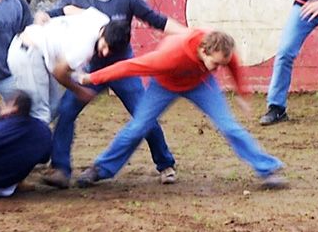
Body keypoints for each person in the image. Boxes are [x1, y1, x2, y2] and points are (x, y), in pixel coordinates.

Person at [34, 0, 187, 189]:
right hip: (90, 69)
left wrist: (189, 34)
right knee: (66, 111)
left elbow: (158, 21)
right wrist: (42, 16)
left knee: (143, 113)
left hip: (122, 67)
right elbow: (55, 12)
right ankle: (61, 169)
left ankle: (165, 163)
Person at [76, 30, 287, 190]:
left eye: (220, 65)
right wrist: (91, 78)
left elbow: (232, 63)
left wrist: (241, 92)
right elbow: (129, 66)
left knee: (229, 126)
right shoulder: (170, 57)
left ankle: (268, 169)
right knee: (138, 127)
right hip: (164, 85)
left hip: (200, 84)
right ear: (203, 51)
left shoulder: (220, 48)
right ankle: (100, 169)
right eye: (215, 64)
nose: (218, 68)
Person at [6, 7, 130, 125]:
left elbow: (69, 8)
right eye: (104, 46)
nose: (105, 53)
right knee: (40, 114)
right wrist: (80, 91)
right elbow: (58, 71)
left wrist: (51, 15)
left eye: (110, 51)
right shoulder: (85, 48)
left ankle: (13, 131)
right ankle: (9, 134)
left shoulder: (100, 18)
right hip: (28, 54)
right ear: (103, 32)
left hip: (37, 52)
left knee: (53, 106)